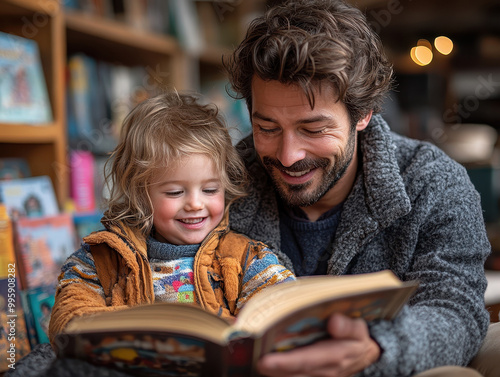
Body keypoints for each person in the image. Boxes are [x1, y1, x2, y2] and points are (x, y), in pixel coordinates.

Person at [223, 0, 497, 376]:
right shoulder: (218, 183)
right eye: (267, 128)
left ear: (363, 113)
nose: (287, 156)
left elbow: (455, 310)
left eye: (314, 130)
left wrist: (378, 348)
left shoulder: (434, 183)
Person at [48, 92, 295, 345]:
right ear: (139, 194)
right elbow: (69, 318)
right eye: (175, 192)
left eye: (210, 190)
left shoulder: (242, 257)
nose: (196, 204)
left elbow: (283, 305)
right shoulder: (103, 257)